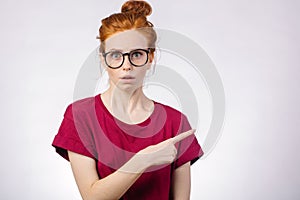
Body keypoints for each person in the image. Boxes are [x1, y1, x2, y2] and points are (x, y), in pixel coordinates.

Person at [52, 1, 204, 199]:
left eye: (137, 54)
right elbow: (93, 197)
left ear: (150, 58)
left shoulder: (176, 122)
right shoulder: (80, 116)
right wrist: (142, 160)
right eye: (116, 55)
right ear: (102, 59)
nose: (126, 66)